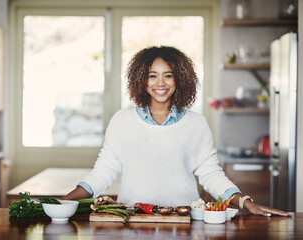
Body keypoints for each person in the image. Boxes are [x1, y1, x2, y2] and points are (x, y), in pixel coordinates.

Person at [62, 46, 290, 217]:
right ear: (141, 80)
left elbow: (211, 174)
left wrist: (245, 202)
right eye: (152, 75)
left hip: (184, 221)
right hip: (133, 220)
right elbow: (103, 172)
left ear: (179, 79)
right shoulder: (122, 120)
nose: (160, 82)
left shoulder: (196, 124)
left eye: (168, 75)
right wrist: (63, 202)